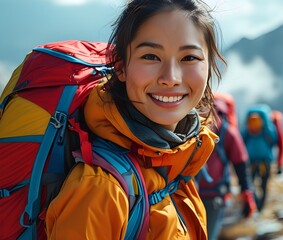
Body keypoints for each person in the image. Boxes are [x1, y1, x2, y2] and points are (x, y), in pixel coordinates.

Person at [45, 0, 226, 239]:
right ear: (121, 67)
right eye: (151, 56)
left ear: (209, 66)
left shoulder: (176, 161)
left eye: (189, 58)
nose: (170, 78)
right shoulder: (100, 190)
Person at [197, 93, 257, 240]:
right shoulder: (228, 130)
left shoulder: (192, 123)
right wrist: (247, 194)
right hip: (215, 195)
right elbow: (240, 164)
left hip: (185, 191)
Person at [241, 104, 278, 212]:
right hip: (265, 162)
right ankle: (261, 206)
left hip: (250, 162)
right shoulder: (268, 129)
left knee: (250, 183)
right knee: (264, 184)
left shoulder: (247, 130)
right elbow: (273, 141)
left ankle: (254, 204)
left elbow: (242, 142)